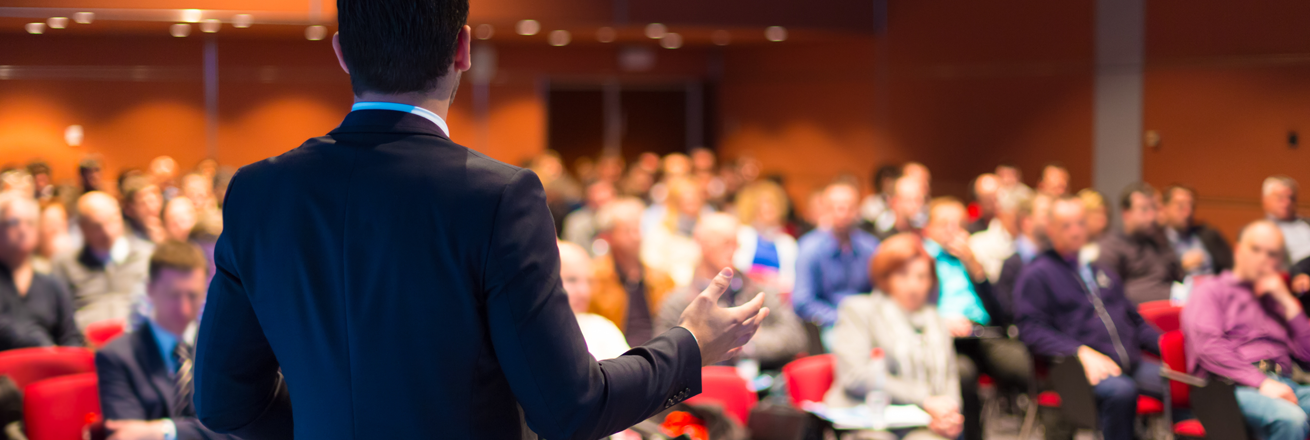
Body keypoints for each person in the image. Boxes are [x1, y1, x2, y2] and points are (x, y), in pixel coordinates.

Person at [193, 3, 768, 439]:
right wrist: (690, 345)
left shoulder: (258, 191)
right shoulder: (499, 197)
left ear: (341, 52)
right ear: (463, 48)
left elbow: (223, 403)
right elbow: (569, 408)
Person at [1015, 196, 1163, 440]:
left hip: (1129, 362)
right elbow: (1031, 330)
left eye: (1080, 223)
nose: (1075, 231)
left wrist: (1167, 346)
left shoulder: (1101, 270)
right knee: (1121, 392)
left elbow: (1133, 320)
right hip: (1075, 368)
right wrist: (1079, 351)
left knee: (1186, 385)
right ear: (1051, 229)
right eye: (1067, 225)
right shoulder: (1037, 274)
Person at [826, 233, 965, 440]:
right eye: (903, 275)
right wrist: (925, 399)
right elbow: (856, 376)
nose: (913, 285)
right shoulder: (859, 310)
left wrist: (949, 414)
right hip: (867, 418)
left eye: (922, 276)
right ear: (885, 278)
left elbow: (949, 377)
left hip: (923, 420)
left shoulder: (935, 320)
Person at [96, 240, 238, 440]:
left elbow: (237, 430)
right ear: (150, 289)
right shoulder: (116, 356)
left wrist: (165, 431)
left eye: (193, 295)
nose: (184, 308)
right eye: (173, 295)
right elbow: (126, 435)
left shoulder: (222, 348)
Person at [1182, 220, 1310, 440]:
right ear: (1239, 251)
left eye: (1272, 254)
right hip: (1228, 389)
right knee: (1291, 419)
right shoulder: (1210, 291)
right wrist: (1261, 382)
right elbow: (1208, 347)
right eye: (1256, 250)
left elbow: (1307, 356)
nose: (1263, 259)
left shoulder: (1275, 298)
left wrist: (1288, 303)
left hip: (1284, 382)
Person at [921, 197, 1029, 440]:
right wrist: (941, 322)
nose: (953, 231)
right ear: (927, 229)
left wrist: (974, 267)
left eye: (958, 225)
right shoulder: (920, 259)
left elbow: (999, 313)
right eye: (945, 224)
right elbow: (911, 309)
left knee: (1024, 365)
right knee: (964, 374)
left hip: (981, 334)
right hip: (943, 339)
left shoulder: (969, 258)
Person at [656, 213, 806, 370]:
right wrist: (744, 337)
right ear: (702, 243)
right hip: (708, 388)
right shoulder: (678, 302)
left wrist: (742, 342)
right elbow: (667, 357)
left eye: (736, 244)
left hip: (764, 384)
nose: (734, 250)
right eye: (726, 243)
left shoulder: (759, 291)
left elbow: (795, 337)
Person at [51, 191, 152, 329]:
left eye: (111, 221)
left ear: (120, 217)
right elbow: (60, 318)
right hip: (87, 343)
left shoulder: (147, 255)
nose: (107, 231)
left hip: (136, 342)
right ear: (82, 228)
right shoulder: (65, 264)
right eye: (97, 226)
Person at [0, 193, 82, 350]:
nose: (23, 229)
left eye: (30, 223)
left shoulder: (52, 285)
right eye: (13, 222)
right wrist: (43, 347)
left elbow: (70, 337)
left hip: (51, 370)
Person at [793, 181, 879, 328]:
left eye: (849, 208)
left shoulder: (871, 246)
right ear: (825, 210)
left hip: (867, 320)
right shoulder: (809, 247)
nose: (843, 213)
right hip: (830, 323)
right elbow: (802, 301)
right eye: (836, 207)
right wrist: (840, 319)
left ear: (858, 210)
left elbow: (881, 291)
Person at [1097, 183, 1182, 305]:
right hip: (1136, 318)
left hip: (1172, 312)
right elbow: (1110, 296)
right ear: (1126, 213)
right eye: (1144, 209)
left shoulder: (1159, 243)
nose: (1152, 216)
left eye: (1154, 208)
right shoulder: (1110, 247)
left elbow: (1180, 279)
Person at [558, 240, 629, 361]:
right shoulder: (530, 335)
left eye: (589, 281)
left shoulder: (601, 328)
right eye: (571, 280)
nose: (584, 292)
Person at [732, 180, 799, 294]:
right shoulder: (741, 234)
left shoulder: (787, 242)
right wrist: (764, 277)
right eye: (762, 204)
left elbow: (791, 280)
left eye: (772, 204)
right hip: (743, 294)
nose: (767, 208)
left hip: (777, 298)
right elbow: (737, 269)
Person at [642, 177, 709, 286]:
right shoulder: (661, 232)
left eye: (695, 201)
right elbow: (653, 267)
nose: (693, 207)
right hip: (672, 290)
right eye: (687, 202)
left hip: (703, 287)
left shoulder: (707, 228)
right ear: (674, 203)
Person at [994, 194, 1049, 324]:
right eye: (1046, 214)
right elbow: (1010, 312)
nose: (1053, 220)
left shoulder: (1057, 260)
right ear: (1027, 222)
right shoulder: (1012, 265)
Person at [1161, 185, 1233, 278]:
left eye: (1191, 206)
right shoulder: (1156, 241)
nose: (1188, 212)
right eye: (1181, 206)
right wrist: (1182, 266)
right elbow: (1153, 279)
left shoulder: (1208, 235)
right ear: (1164, 208)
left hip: (1212, 288)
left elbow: (1231, 269)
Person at [969, 181, 1023, 284]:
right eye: (1016, 214)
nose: (1022, 220)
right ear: (1001, 211)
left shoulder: (1034, 243)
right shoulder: (977, 243)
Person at [1263, 176, 1310, 265]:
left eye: (1291, 198)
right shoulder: (1260, 231)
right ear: (1265, 200)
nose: (1287, 202)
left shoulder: (1307, 223)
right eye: (1280, 197)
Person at [562, 180, 617, 255]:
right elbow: (573, 250)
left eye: (603, 191)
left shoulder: (626, 216)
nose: (599, 196)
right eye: (594, 192)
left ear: (614, 194)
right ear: (587, 197)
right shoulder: (576, 221)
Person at [871, 176, 927, 241]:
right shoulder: (882, 238)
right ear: (894, 202)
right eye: (909, 200)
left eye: (918, 200)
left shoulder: (923, 235)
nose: (915, 205)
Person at [121, 175, 166, 244]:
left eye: (156, 199)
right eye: (143, 203)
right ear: (130, 209)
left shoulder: (169, 223)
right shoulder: (125, 238)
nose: (152, 207)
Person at [860, 165, 902, 235]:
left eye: (891, 177)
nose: (888, 182)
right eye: (885, 178)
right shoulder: (870, 202)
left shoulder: (902, 201)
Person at [1077, 189, 1108, 265]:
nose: (1103, 219)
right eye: (1098, 212)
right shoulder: (1069, 248)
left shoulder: (1111, 246)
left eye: (1104, 213)